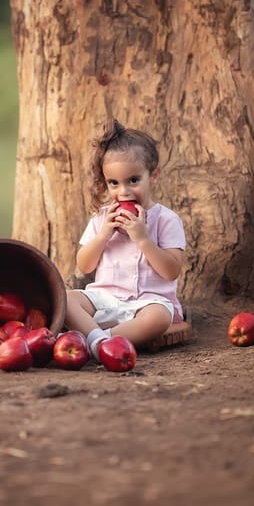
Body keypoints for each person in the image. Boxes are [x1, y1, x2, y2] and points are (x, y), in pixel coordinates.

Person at [64, 118, 186, 360]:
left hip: (149, 303)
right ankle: (100, 341)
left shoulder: (166, 220)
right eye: (114, 183)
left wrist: (143, 239)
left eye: (133, 180)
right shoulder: (102, 219)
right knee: (65, 298)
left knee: (159, 318)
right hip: (105, 299)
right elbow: (84, 265)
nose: (123, 192)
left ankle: (99, 340)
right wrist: (102, 236)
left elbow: (172, 271)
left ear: (153, 176)